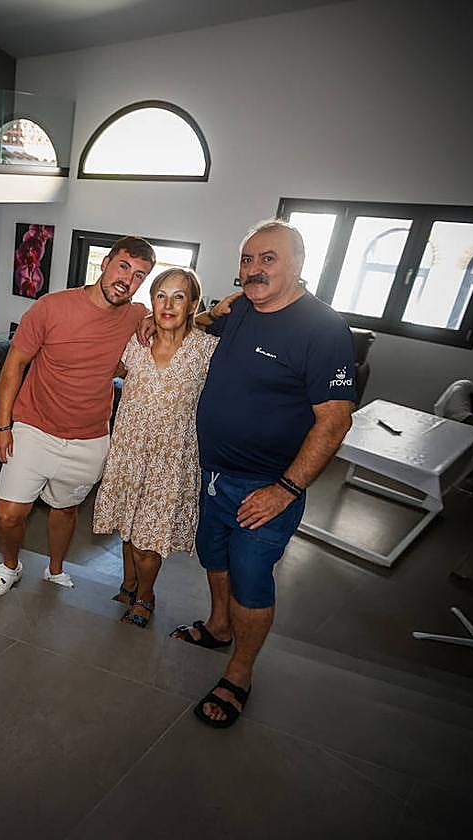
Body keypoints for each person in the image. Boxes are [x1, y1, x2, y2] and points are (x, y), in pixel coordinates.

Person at [172, 219, 355, 729]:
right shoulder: (240, 312)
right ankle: (218, 627)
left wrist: (286, 490)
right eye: (247, 259)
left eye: (268, 259)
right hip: (213, 474)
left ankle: (239, 672)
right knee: (213, 556)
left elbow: (335, 421)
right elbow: (196, 326)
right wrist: (206, 312)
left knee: (251, 581)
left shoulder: (323, 329)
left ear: (298, 264)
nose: (254, 269)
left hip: (266, 487)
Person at [0, 236, 156, 600]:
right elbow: (14, 364)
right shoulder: (52, 307)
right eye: (123, 267)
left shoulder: (136, 316)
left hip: (90, 438)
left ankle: (56, 570)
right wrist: (2, 424)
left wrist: (160, 318)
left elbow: (175, 322)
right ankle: (10, 566)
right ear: (105, 263)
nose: (128, 280)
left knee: (65, 509)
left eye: (139, 275)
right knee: (8, 514)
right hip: (33, 428)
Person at [92, 268, 218, 627]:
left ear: (193, 304)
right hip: (129, 454)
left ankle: (146, 596)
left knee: (147, 540)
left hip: (171, 462)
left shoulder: (207, 350)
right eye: (161, 296)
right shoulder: (135, 344)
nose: (168, 305)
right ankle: (129, 585)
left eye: (179, 297)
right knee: (129, 529)